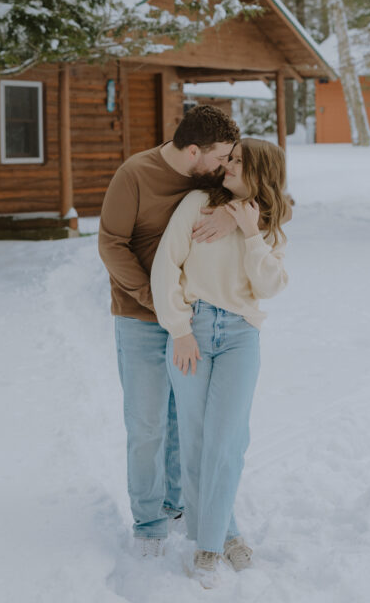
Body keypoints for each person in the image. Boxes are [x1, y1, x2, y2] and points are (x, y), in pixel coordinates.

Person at [98, 105, 240, 556]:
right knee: (147, 423)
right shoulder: (135, 174)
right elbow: (110, 244)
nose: (224, 167)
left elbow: (280, 205)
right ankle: (149, 523)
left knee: (184, 420)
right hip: (140, 317)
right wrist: (155, 300)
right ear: (194, 150)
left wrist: (234, 216)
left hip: (195, 320)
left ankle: (175, 502)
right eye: (219, 157)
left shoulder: (212, 177)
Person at [150, 137, 290, 586]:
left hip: (239, 336)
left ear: (259, 172)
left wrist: (249, 233)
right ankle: (224, 536)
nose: (226, 165)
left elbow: (269, 285)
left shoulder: (267, 223)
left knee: (227, 441)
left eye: (237, 161)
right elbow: (166, 266)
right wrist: (180, 330)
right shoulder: (197, 204)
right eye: (228, 158)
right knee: (195, 440)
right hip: (192, 332)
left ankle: (207, 545)